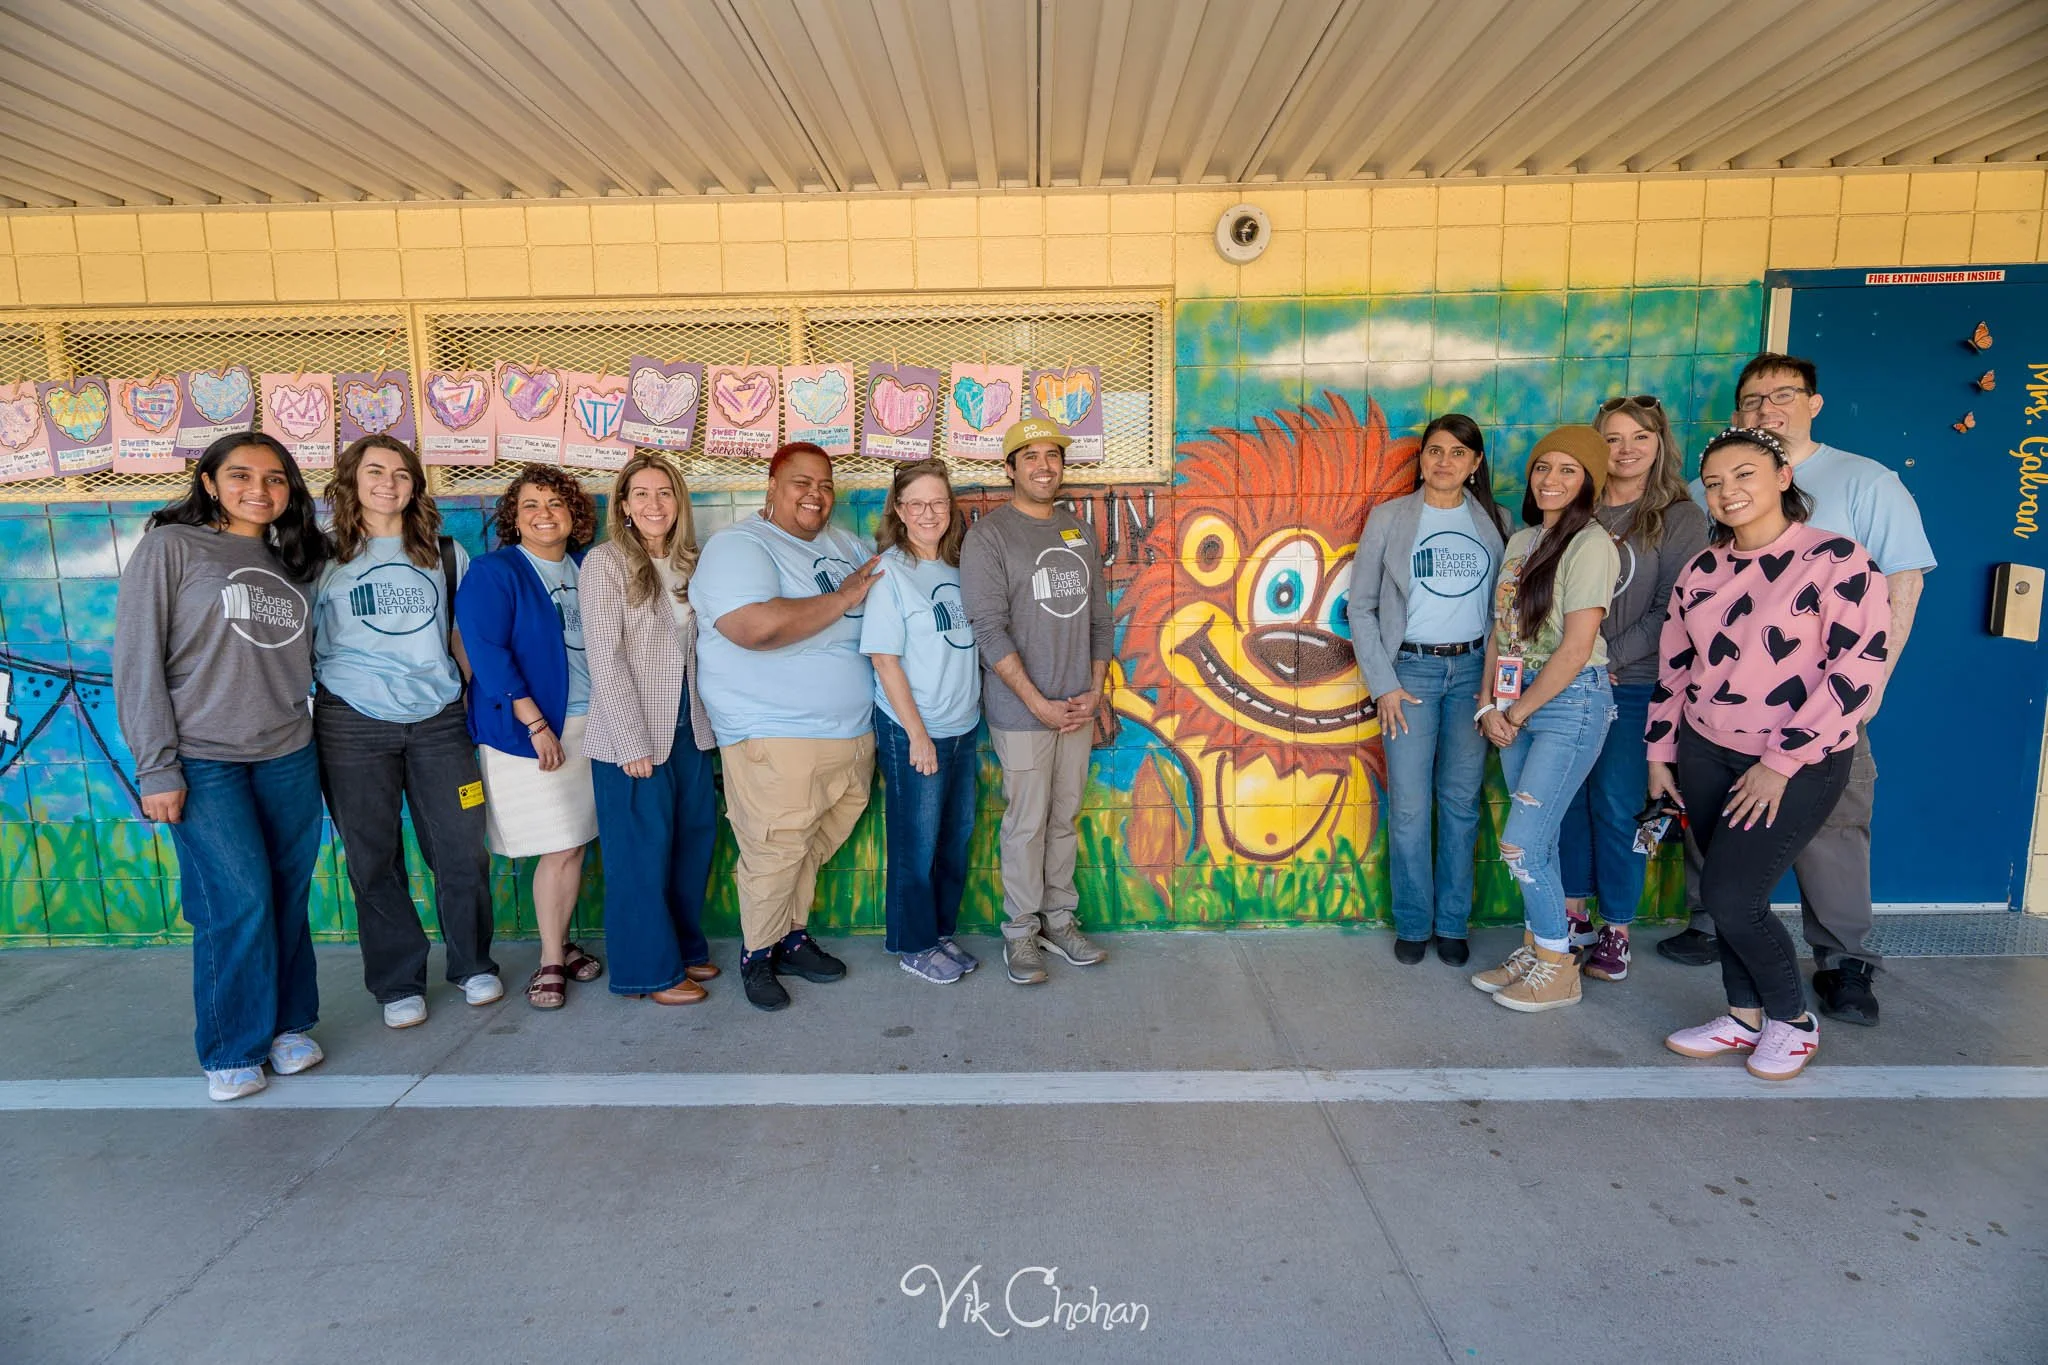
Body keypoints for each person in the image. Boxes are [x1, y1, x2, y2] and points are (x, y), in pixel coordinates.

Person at [1660, 355, 1934, 1028]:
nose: (1766, 407)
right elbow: (1683, 652)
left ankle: (1839, 965)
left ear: (1813, 403)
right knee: (1726, 873)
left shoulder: (1861, 495)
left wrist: (1855, 704)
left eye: (1783, 394)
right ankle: (1741, 1002)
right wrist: (1662, 748)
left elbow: (1898, 595)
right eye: (1752, 399)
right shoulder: (1707, 536)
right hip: (1713, 733)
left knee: (1831, 835)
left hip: (1817, 724)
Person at [1652, 427, 1889, 1079]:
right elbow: (1675, 668)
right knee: (1726, 889)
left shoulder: (1837, 560)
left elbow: (1856, 670)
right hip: (1705, 749)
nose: (1729, 490)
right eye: (1717, 481)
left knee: (1732, 894)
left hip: (1796, 763)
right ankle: (1741, 1014)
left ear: (1784, 476)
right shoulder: (1702, 569)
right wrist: (1659, 755)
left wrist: (1780, 761)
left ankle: (1792, 1019)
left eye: (1745, 474)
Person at [114, 432, 329, 1101]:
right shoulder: (170, 548)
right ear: (208, 481)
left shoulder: (295, 557)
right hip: (205, 758)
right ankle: (233, 1045)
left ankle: (289, 1025)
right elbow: (136, 660)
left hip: (289, 751)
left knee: (287, 893)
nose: (259, 491)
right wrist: (157, 767)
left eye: (274, 479)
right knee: (237, 898)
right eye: (240, 476)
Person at [312, 434, 500, 1030]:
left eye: (400, 472)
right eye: (374, 471)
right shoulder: (320, 557)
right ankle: (398, 983)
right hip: (350, 721)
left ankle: (473, 965)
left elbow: (460, 636)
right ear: (351, 480)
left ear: (415, 484)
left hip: (438, 719)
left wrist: (474, 700)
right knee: (373, 857)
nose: (388, 482)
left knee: (462, 847)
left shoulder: (444, 553)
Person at [690, 441, 880, 1012]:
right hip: (774, 731)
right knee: (774, 849)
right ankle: (757, 954)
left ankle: (791, 938)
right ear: (771, 486)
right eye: (801, 482)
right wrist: (845, 595)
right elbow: (756, 628)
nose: (816, 494)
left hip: (849, 733)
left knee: (810, 846)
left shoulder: (845, 544)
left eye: (825, 485)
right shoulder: (740, 546)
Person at [1554, 397, 1710, 984]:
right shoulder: (1577, 508)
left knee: (1619, 807)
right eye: (1612, 438)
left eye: (1638, 438)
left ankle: (1616, 928)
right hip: (1569, 682)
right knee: (1566, 801)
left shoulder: (1678, 517)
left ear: (1660, 444)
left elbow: (1674, 610)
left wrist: (1603, 660)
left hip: (1634, 685)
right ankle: (1574, 918)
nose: (1625, 450)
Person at [1348, 413, 1508, 967]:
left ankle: (1452, 924)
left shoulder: (1496, 521)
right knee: (1412, 807)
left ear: (1475, 463)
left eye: (1458, 453)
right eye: (1435, 450)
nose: (1445, 462)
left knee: (1460, 805)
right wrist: (1383, 685)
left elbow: (1505, 613)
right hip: (1410, 674)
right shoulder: (1391, 518)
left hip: (1471, 677)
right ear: (1422, 459)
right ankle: (1414, 922)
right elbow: (1361, 606)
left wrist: (1495, 690)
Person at [960, 417, 1114, 986]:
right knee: (1026, 823)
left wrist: (1094, 690)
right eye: (1031, 457)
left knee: (1063, 817)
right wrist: (1036, 701)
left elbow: (1100, 621)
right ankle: (1021, 933)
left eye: (1053, 455)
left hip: (1076, 707)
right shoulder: (990, 537)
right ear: (1009, 468)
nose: (1044, 466)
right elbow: (989, 629)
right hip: (1022, 711)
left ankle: (1060, 920)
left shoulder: (1079, 532)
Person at [1470, 426, 1618, 1012]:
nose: (1550, 480)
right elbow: (1500, 632)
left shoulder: (1592, 544)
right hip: (1515, 702)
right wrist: (1490, 705)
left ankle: (1559, 967)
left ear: (1587, 481)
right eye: (1542, 468)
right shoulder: (1523, 540)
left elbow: (1577, 647)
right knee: (1542, 840)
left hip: (1569, 703)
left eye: (1567, 470)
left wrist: (1521, 710)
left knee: (1521, 846)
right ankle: (1538, 948)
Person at [454, 464, 604, 1011]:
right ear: (514, 519)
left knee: (574, 844)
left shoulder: (588, 566)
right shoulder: (497, 572)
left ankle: (560, 941)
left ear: (575, 514)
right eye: (531, 506)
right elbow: (488, 654)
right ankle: (549, 960)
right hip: (534, 729)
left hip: (594, 724)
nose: (545, 514)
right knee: (558, 844)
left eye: (556, 504)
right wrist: (536, 723)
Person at [580, 454, 720, 1005]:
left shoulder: (693, 561)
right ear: (624, 505)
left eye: (665, 493)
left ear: (679, 502)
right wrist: (632, 742)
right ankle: (649, 972)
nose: (655, 504)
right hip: (632, 736)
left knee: (691, 844)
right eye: (642, 494)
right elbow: (605, 658)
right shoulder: (605, 564)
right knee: (639, 855)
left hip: (691, 727)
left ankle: (684, 949)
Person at [861, 459, 982, 985]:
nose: (928, 512)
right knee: (917, 841)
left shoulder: (959, 568)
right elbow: (884, 659)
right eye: (916, 503)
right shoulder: (890, 572)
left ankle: (937, 932)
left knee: (955, 838)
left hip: (962, 724)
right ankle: (913, 944)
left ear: (950, 508)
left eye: (938, 502)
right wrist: (916, 735)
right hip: (916, 728)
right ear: (899, 510)